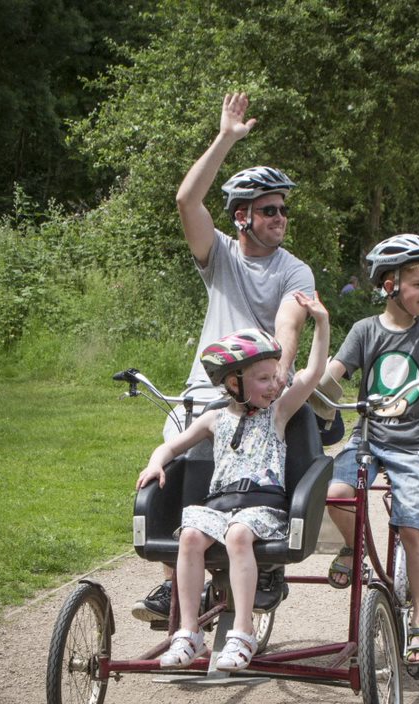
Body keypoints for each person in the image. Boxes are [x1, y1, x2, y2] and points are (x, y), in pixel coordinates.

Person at [132, 92, 316, 624]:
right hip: (205, 391)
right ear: (242, 217)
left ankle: (266, 566)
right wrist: (226, 138)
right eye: (269, 209)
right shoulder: (220, 256)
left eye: (283, 208)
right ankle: (175, 581)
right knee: (178, 468)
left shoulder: (294, 270)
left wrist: (280, 372)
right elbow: (188, 201)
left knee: (262, 466)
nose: (281, 217)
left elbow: (289, 318)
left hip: (263, 388)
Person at [135, 292, 329, 671]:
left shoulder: (278, 413)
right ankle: (188, 633)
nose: (274, 384)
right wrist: (155, 464)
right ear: (233, 383)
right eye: (263, 378)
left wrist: (321, 323)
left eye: (275, 376)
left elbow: (313, 373)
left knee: (240, 534)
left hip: (263, 508)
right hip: (220, 506)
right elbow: (171, 447)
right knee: (190, 536)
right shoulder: (214, 420)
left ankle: (242, 632)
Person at [322, 234, 419, 670]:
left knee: (411, 526)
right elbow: (334, 372)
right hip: (368, 436)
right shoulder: (366, 330)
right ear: (389, 286)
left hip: (413, 445)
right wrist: (317, 384)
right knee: (336, 492)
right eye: (417, 284)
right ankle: (354, 547)